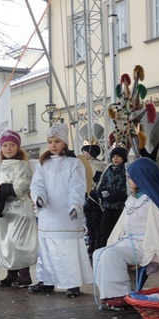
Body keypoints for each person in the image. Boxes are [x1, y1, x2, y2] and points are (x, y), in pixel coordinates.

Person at [92, 157, 159, 309]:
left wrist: (156, 258)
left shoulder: (152, 201)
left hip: (144, 244)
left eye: (131, 177)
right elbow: (121, 225)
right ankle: (109, 294)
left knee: (111, 255)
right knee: (99, 253)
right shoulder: (132, 200)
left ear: (142, 178)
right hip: (127, 242)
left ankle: (122, 295)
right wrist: (113, 243)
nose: (128, 180)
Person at [29, 123, 92, 297]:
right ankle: (46, 280)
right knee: (47, 249)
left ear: (65, 143)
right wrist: (39, 197)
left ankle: (72, 283)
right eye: (50, 141)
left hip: (67, 214)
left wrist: (75, 204)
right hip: (49, 213)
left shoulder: (74, 163)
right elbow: (37, 184)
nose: (53, 145)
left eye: (57, 141)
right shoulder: (43, 164)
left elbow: (77, 186)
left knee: (68, 249)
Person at [0, 130, 37, 288]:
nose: (8, 148)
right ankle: (11, 272)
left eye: (12, 145)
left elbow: (20, 188)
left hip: (19, 209)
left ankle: (24, 274)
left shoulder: (23, 166)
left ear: (18, 147)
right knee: (6, 242)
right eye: (5, 145)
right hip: (4, 210)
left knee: (19, 241)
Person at [96, 146, 129, 249]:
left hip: (120, 207)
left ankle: (119, 250)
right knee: (104, 229)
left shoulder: (125, 171)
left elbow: (126, 188)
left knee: (119, 230)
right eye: (113, 156)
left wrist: (115, 195)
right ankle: (102, 249)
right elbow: (102, 184)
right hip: (108, 206)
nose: (115, 159)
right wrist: (102, 193)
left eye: (118, 156)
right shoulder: (108, 170)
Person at [80, 143, 104, 256]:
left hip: (94, 199)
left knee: (96, 223)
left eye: (85, 151)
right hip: (85, 198)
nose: (83, 154)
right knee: (89, 224)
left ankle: (97, 245)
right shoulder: (83, 165)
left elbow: (96, 181)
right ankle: (90, 244)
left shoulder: (99, 165)